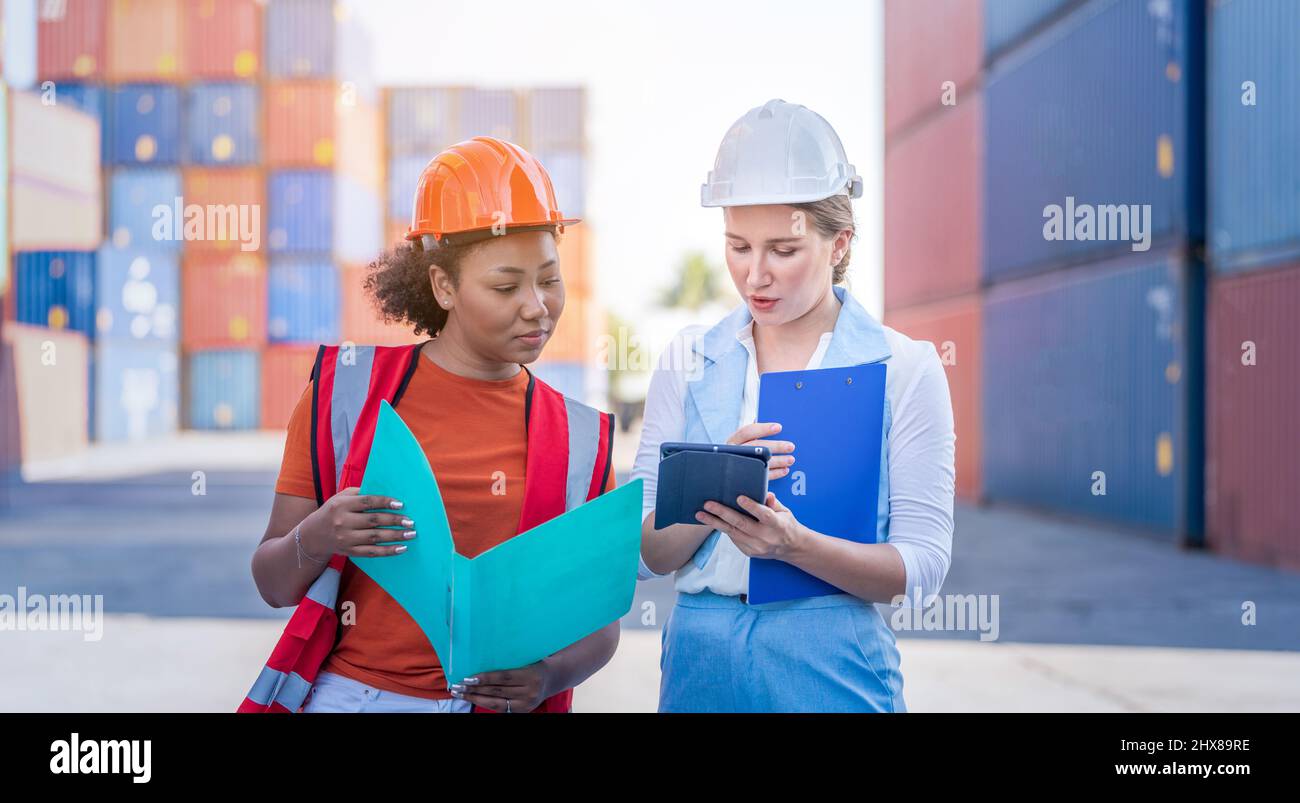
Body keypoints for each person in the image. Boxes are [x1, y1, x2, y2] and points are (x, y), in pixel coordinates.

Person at [241, 137, 619, 714]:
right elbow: (273, 583)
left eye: (549, 279)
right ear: (443, 286)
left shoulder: (581, 440)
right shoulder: (344, 395)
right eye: (505, 285)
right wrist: (319, 534)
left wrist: (546, 678)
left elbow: (600, 628)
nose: (536, 305)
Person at [632, 99, 956, 713]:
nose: (755, 276)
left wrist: (794, 547)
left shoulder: (903, 369)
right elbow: (647, 556)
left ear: (840, 244)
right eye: (737, 246)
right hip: (699, 665)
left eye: (784, 250)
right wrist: (713, 486)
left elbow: (922, 567)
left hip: (832, 664)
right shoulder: (687, 360)